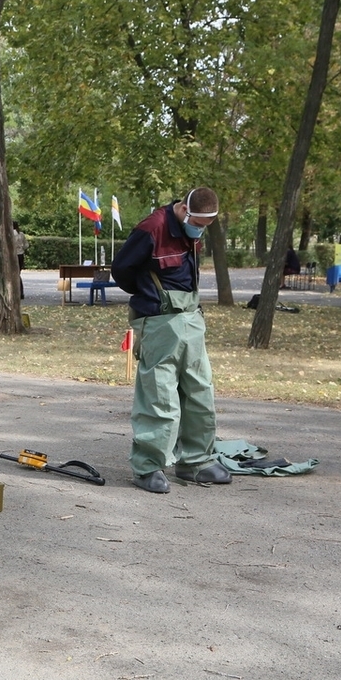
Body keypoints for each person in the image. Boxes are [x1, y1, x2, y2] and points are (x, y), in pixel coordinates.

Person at [111, 188, 230, 493]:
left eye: (206, 225)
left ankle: (196, 463)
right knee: (160, 397)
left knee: (200, 392)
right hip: (160, 319)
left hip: (191, 317)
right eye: (198, 223)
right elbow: (121, 269)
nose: (200, 230)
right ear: (182, 210)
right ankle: (148, 467)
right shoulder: (152, 228)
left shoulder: (191, 231)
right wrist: (149, 297)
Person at [12, 221, 29, 299]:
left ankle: (15, 292)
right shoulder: (21, 234)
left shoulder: (11, 234)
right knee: (18, 274)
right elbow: (26, 245)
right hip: (20, 254)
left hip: (13, 255)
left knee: (12, 274)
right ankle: (20, 292)